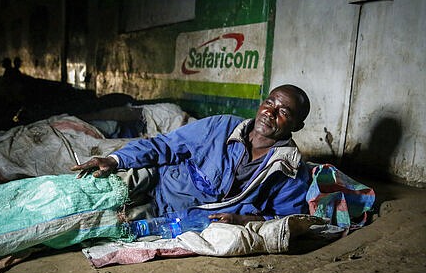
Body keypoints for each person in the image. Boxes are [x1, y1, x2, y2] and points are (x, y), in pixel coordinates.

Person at [71, 84, 312, 226]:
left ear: (297, 126)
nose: (270, 112)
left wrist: (241, 220)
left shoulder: (290, 170)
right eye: (269, 103)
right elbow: (165, 145)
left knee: (95, 224)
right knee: (80, 195)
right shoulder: (222, 126)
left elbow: (282, 219)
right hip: (155, 179)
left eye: (284, 112)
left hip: (175, 217)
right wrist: (115, 159)